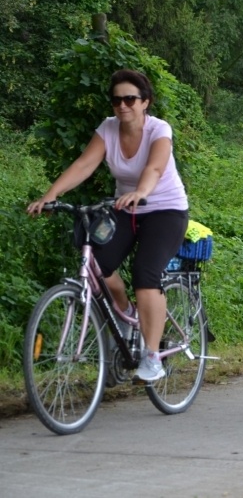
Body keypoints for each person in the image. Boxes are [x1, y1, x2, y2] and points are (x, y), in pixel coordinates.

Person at [28, 69, 189, 381]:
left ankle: (153, 356)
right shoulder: (108, 129)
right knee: (97, 266)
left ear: (146, 102)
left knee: (146, 275)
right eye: (116, 100)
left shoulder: (159, 129)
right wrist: (50, 196)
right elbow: (84, 164)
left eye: (130, 99)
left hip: (165, 209)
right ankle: (127, 311)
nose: (122, 105)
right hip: (125, 207)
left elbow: (155, 167)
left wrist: (140, 192)